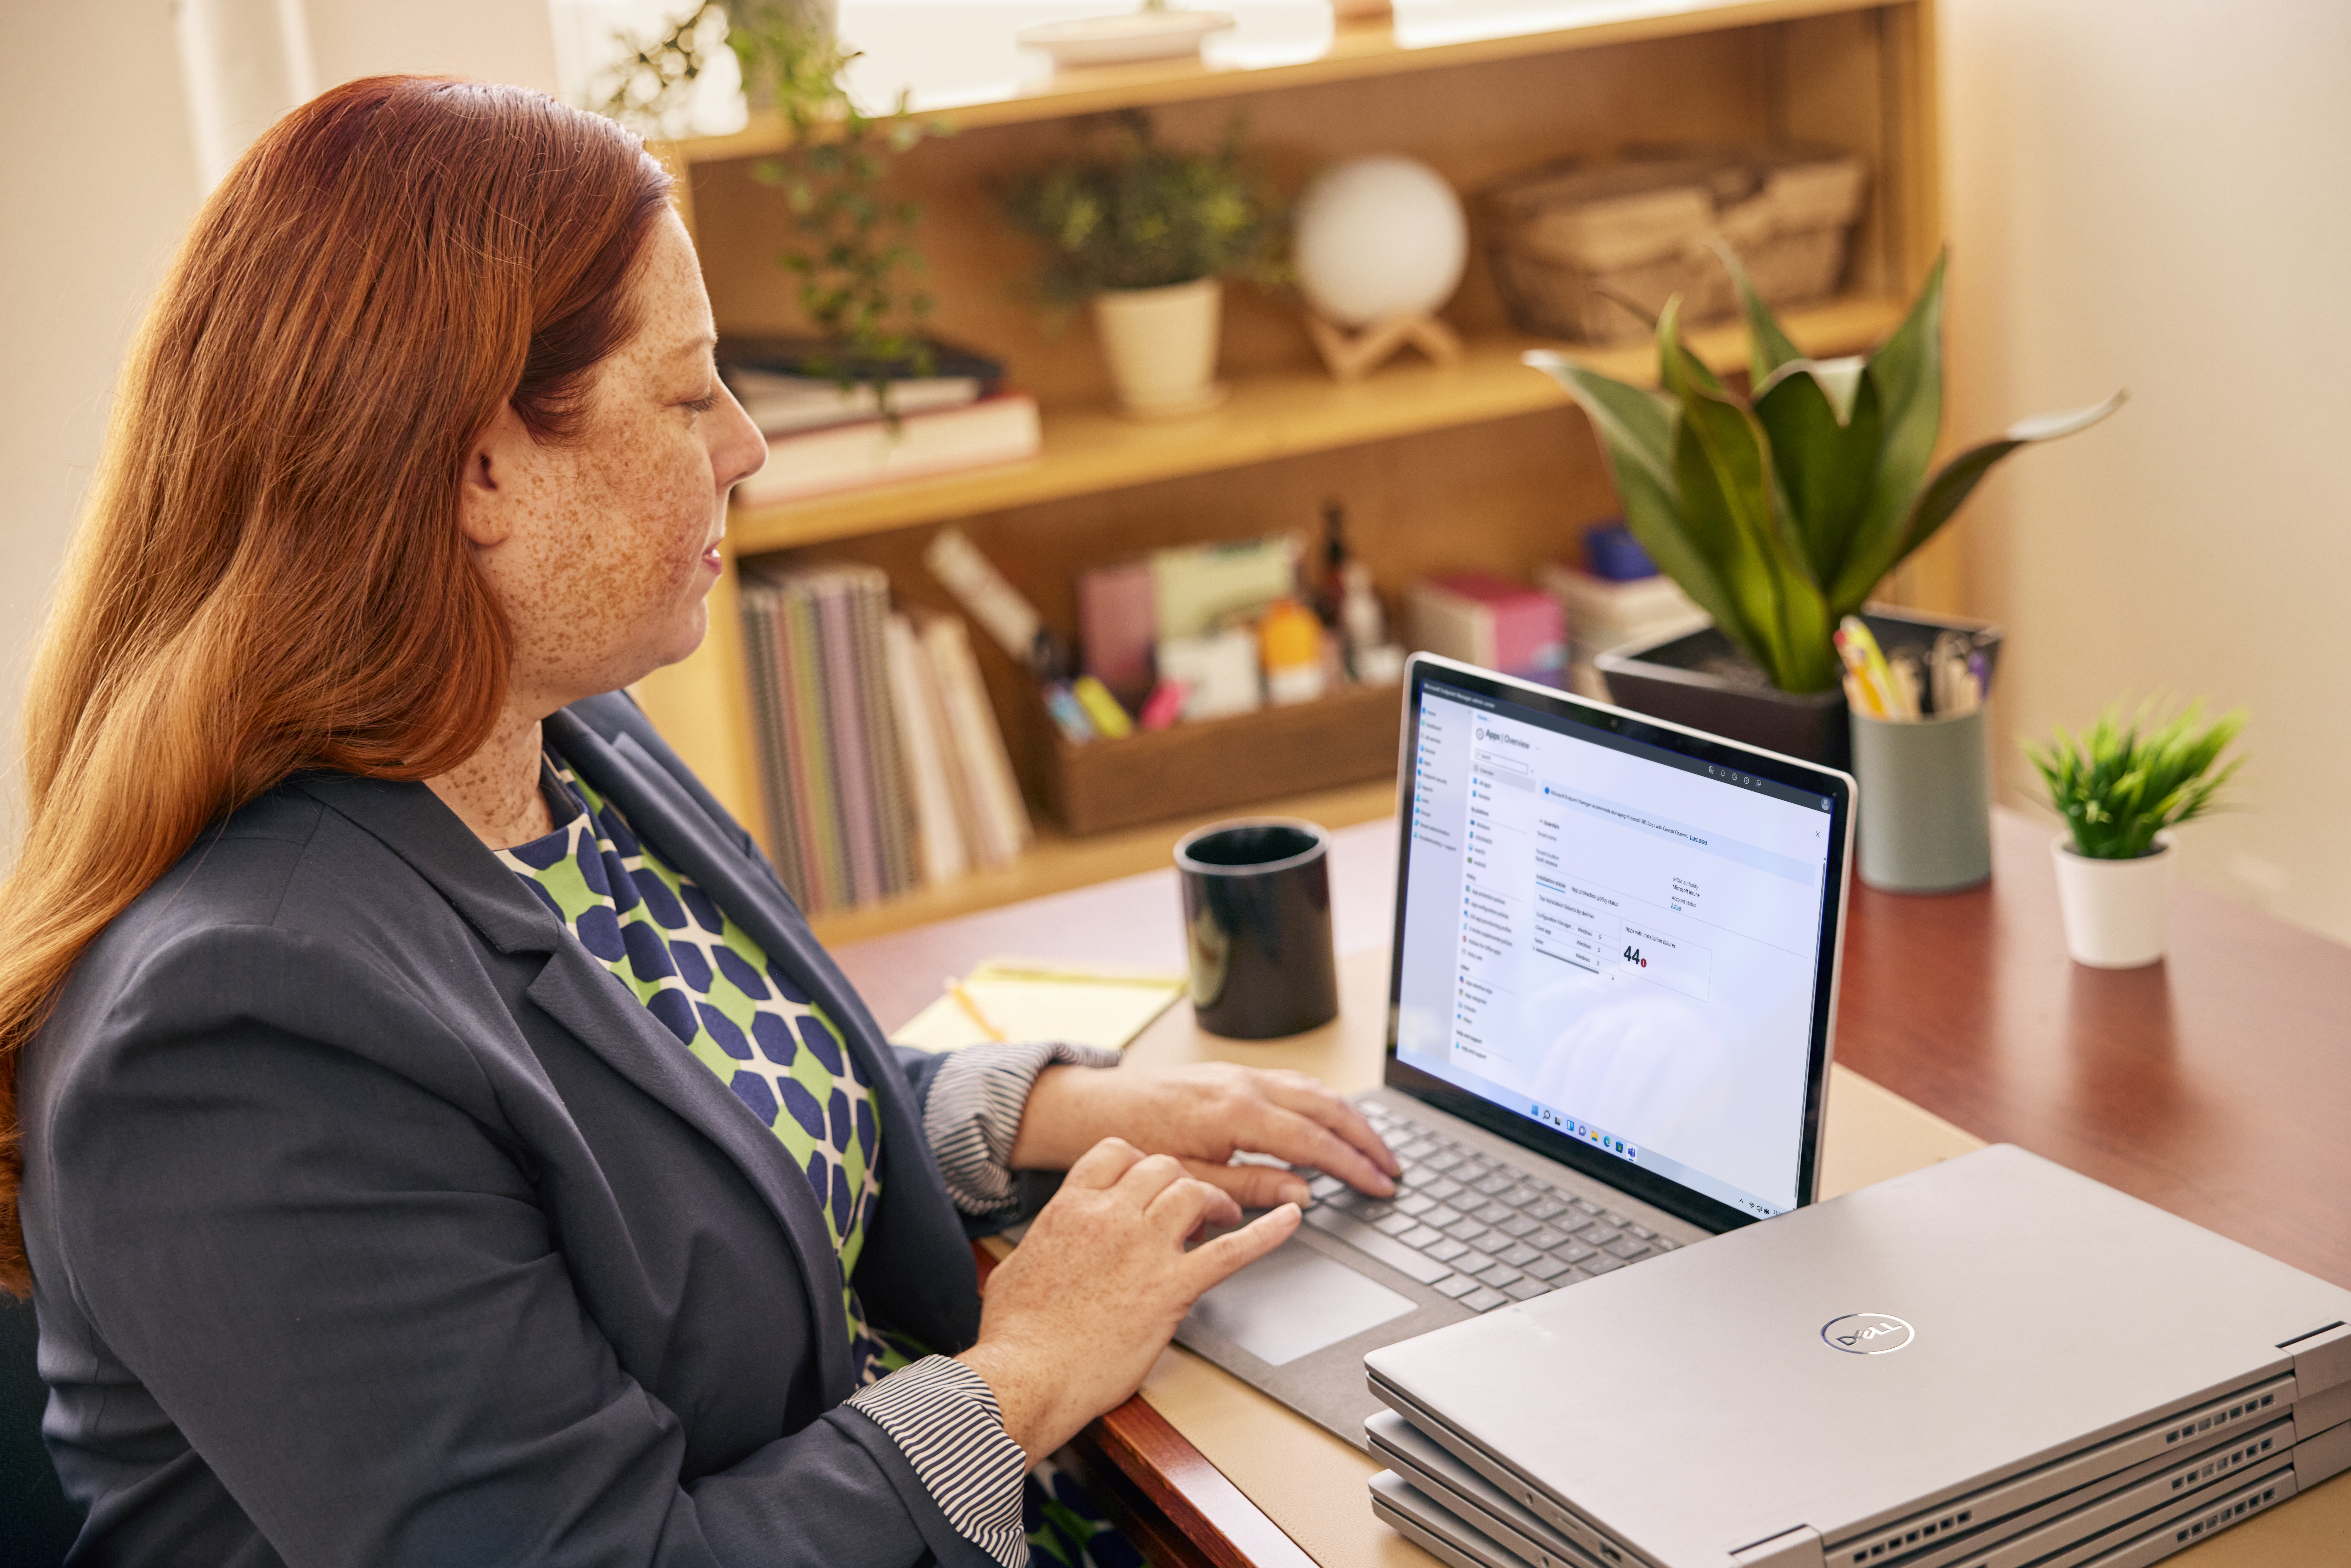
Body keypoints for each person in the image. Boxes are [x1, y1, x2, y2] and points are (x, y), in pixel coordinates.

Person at [0, 76, 1397, 1567]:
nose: (743, 444)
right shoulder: (243, 1040)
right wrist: (1029, 1371)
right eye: (687, 395)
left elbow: (703, 1120)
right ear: (479, 473)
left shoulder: (564, 735)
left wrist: (1051, 1112)